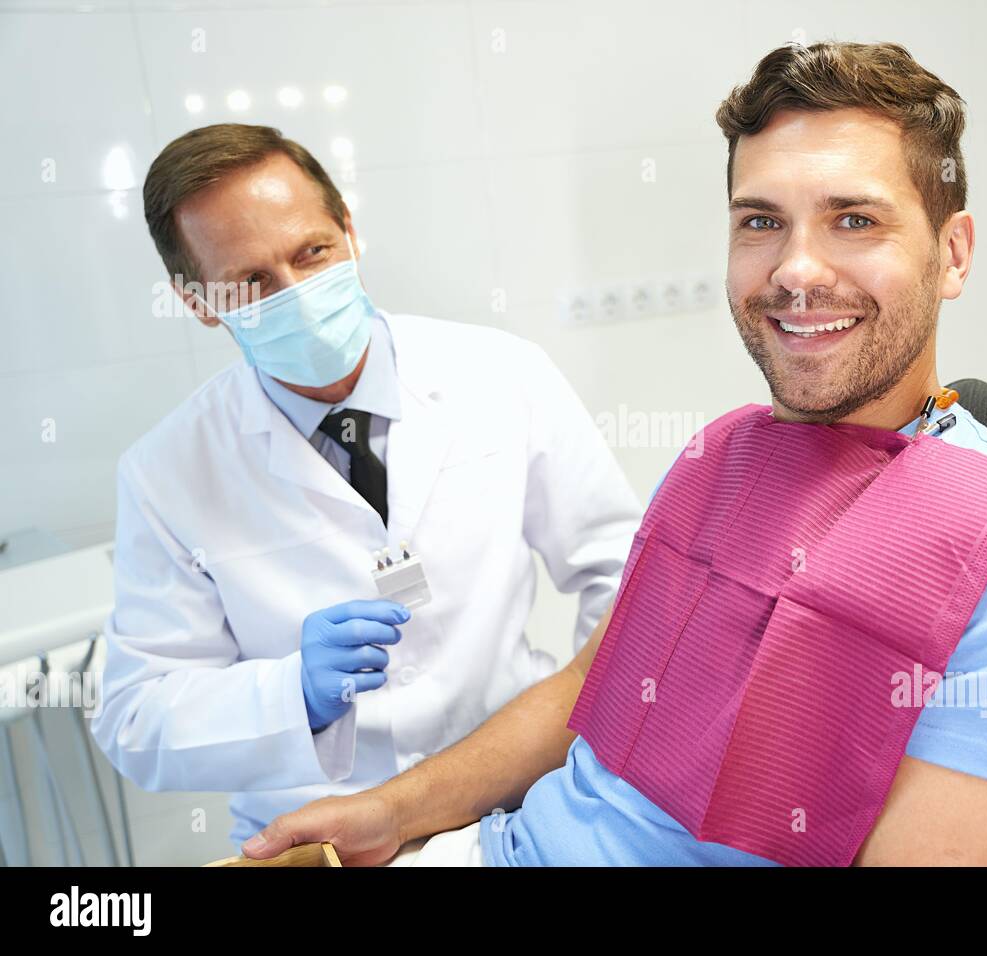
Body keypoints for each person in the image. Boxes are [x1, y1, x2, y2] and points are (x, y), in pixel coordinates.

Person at [243, 41, 987, 867]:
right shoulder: (721, 458)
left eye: (855, 220)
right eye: (761, 222)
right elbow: (588, 692)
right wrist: (392, 813)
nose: (797, 270)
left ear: (952, 253)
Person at [91, 124, 641, 847]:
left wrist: (595, 733)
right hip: (320, 835)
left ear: (349, 231)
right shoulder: (168, 471)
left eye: (313, 252)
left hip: (518, 794)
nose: (296, 292)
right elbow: (136, 718)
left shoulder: (502, 373)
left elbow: (627, 578)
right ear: (196, 300)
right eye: (251, 281)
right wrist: (294, 694)